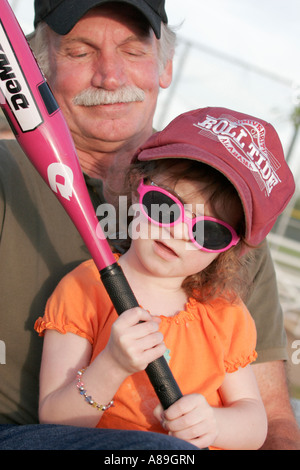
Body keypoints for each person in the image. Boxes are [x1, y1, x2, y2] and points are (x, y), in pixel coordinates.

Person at [0, 0, 299, 450]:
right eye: (80, 52)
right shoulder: (15, 191)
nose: (111, 76)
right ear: (37, 67)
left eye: (133, 51)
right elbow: (59, 413)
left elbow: (268, 419)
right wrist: (111, 366)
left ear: (166, 67)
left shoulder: (233, 233)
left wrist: (216, 425)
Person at [34, 107, 295, 450]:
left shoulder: (224, 314)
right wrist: (112, 365)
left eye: (209, 232)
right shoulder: (85, 289)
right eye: (166, 207)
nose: (180, 234)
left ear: (226, 252)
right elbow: (54, 421)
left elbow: (253, 422)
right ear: (137, 188)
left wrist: (214, 423)